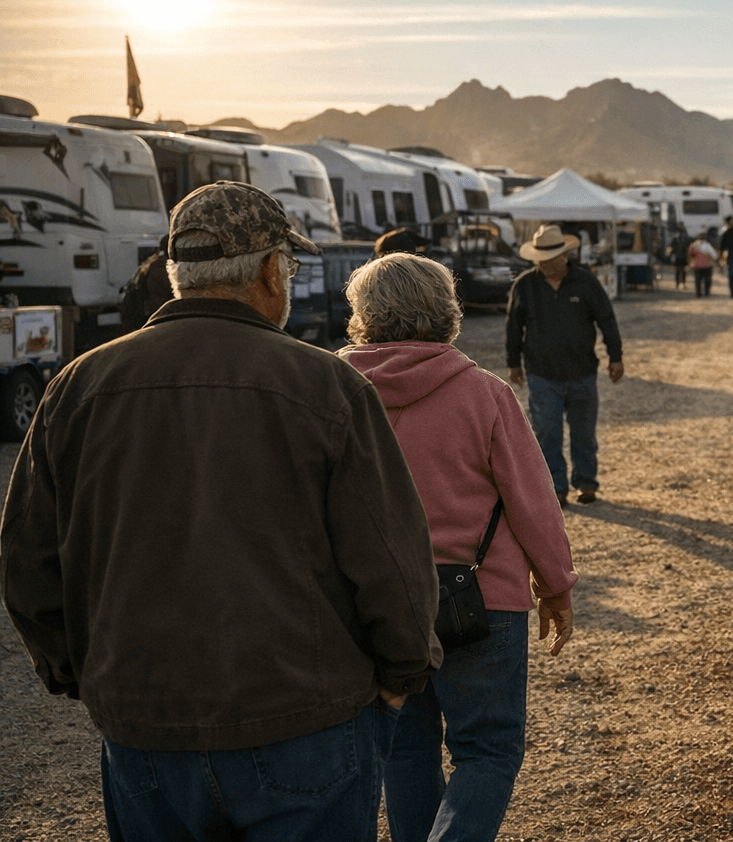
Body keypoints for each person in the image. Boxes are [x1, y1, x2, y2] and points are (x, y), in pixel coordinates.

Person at [1, 181, 440, 842]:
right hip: (306, 722)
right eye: (287, 267)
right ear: (269, 271)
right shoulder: (326, 385)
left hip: (144, 726)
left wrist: (78, 671)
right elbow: (391, 560)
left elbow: (26, 560)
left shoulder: (78, 386)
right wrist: (403, 674)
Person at [340, 253, 577, 842]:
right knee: (488, 751)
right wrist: (555, 585)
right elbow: (532, 500)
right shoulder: (483, 394)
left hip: (371, 601)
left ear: (364, 314)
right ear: (446, 310)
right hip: (478, 600)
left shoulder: (334, 390)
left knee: (405, 748)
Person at [506, 224, 625, 505]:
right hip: (541, 373)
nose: (544, 264)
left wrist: (616, 356)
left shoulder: (585, 282)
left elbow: (606, 319)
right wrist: (513, 363)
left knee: (584, 433)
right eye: (540, 259)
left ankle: (586, 483)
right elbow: (513, 326)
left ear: (564, 256)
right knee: (548, 433)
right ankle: (556, 489)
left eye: (549, 259)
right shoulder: (525, 284)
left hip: (582, 371)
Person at [688, 231, 718, 297]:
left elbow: (690, 254)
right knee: (707, 279)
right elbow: (714, 255)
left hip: (697, 265)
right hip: (707, 265)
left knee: (698, 279)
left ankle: (698, 293)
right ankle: (707, 292)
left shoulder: (693, 245)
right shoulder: (707, 245)